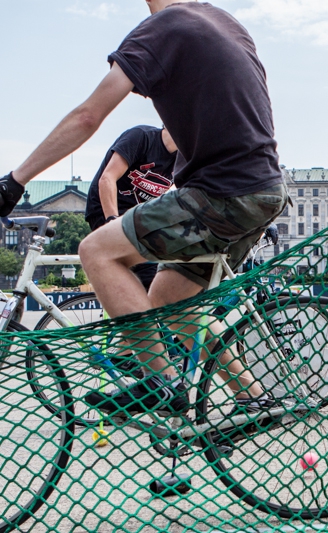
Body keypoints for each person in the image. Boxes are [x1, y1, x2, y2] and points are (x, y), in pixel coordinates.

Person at [0, 0, 288, 418]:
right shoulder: (224, 21)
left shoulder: (163, 27)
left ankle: (159, 381)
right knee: (173, 303)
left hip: (220, 192)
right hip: (264, 189)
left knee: (96, 251)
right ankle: (253, 397)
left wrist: (15, 180)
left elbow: (86, 116)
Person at [84, 125, 178, 290]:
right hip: (106, 209)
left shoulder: (182, 158)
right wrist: (112, 222)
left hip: (139, 218)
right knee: (150, 273)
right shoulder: (141, 137)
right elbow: (107, 178)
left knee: (171, 272)